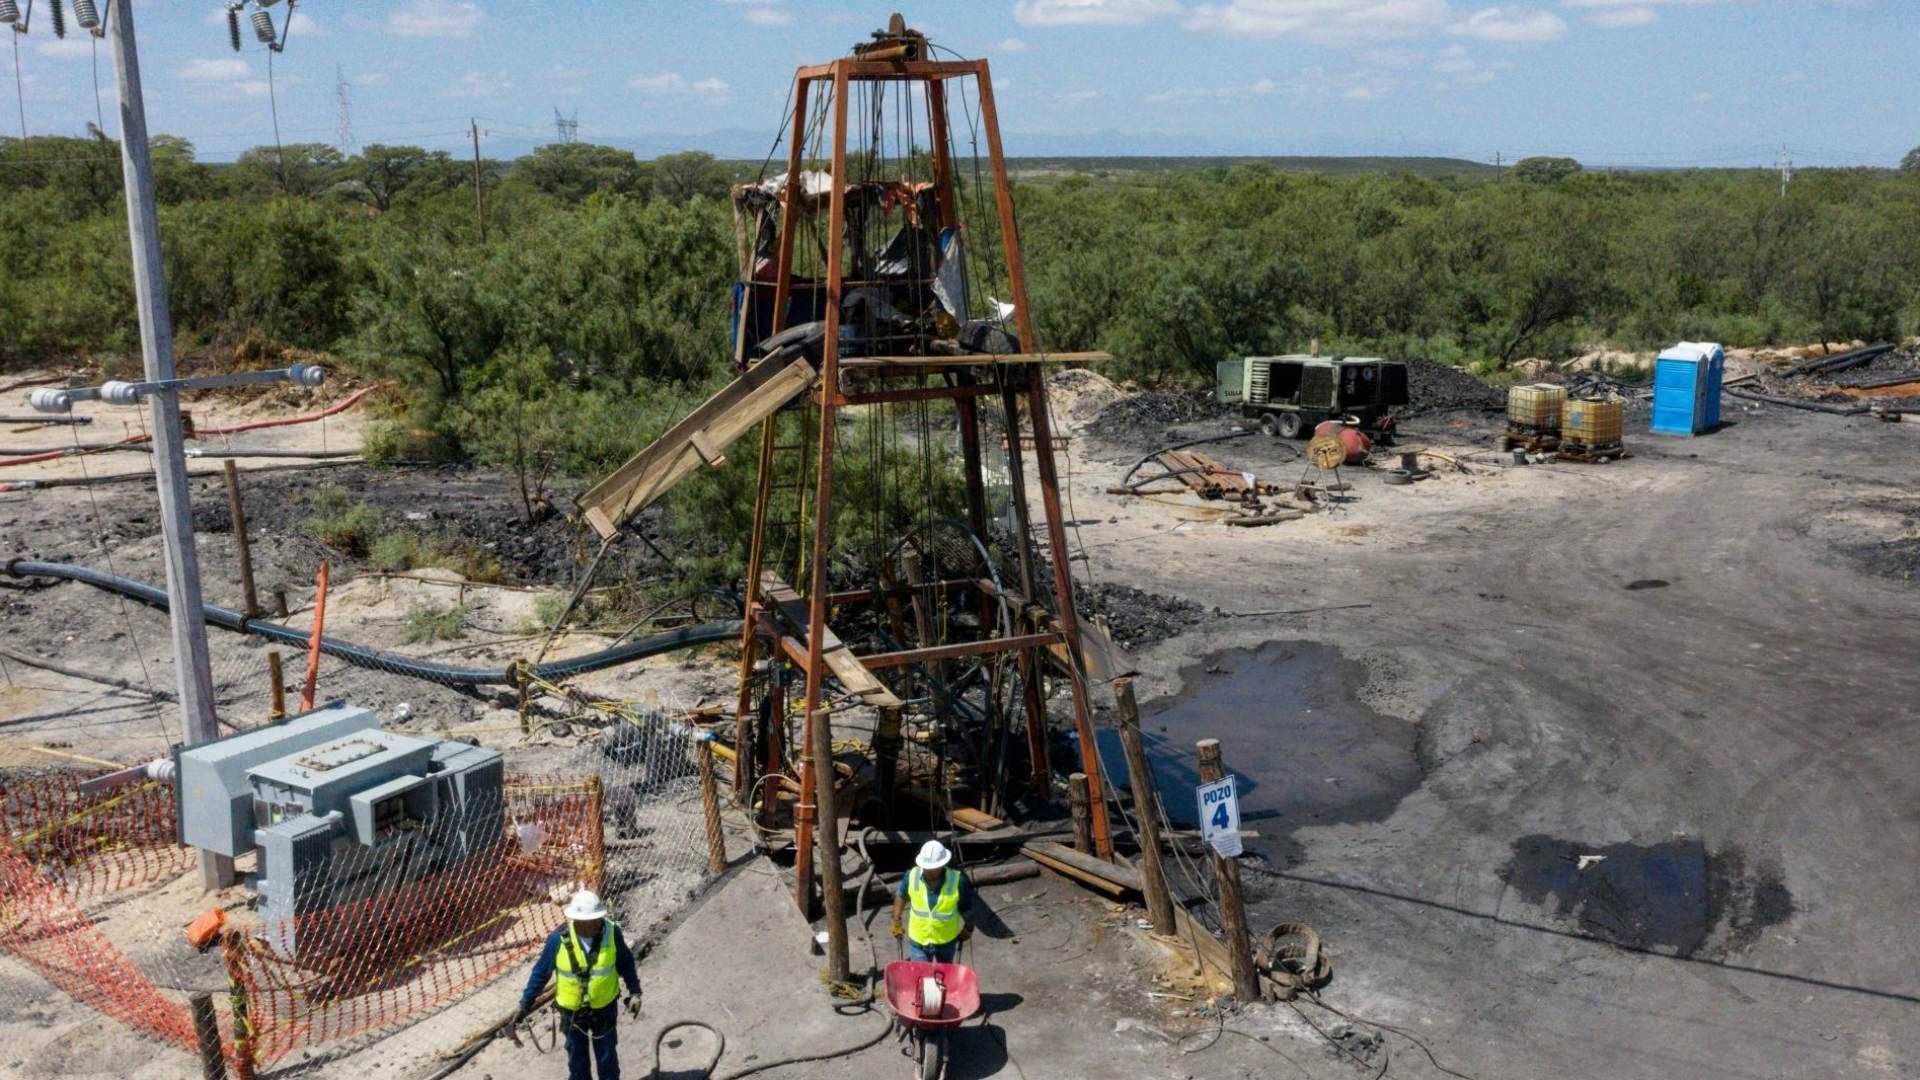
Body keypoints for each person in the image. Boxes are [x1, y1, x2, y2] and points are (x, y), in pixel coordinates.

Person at [519, 889, 642, 1080]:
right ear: (578, 921)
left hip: (605, 1009)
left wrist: (635, 991)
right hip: (572, 1014)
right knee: (577, 1064)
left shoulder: (612, 932)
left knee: (607, 1060)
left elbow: (625, 962)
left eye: (598, 918)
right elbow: (540, 973)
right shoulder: (557, 940)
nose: (597, 923)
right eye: (592, 920)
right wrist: (525, 1003)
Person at [890, 840, 974, 962]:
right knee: (921, 977)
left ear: (942, 865)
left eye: (932, 868)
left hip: (946, 941)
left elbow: (967, 909)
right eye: (925, 867)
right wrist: (896, 920)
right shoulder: (911, 876)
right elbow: (901, 896)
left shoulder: (957, 881)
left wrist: (968, 928)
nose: (928, 870)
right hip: (919, 941)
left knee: (944, 977)